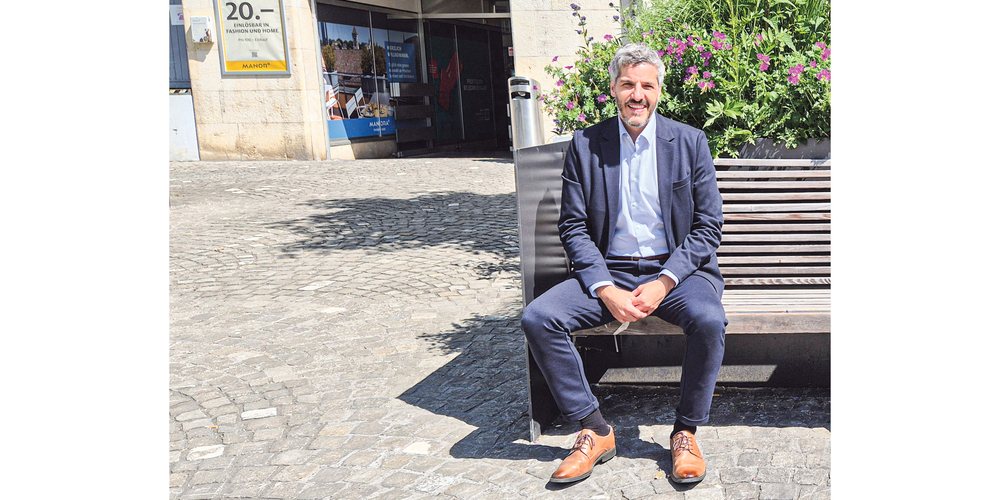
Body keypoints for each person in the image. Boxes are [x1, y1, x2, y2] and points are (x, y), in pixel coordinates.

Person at [521, 43, 727, 484]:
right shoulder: (585, 144)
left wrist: (665, 281)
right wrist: (604, 287)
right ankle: (594, 430)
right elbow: (573, 226)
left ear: (659, 90)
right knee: (539, 317)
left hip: (675, 271)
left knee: (710, 321)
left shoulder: (689, 142)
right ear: (613, 88)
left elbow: (708, 226)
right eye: (628, 84)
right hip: (608, 271)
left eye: (647, 85)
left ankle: (686, 432)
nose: (638, 94)